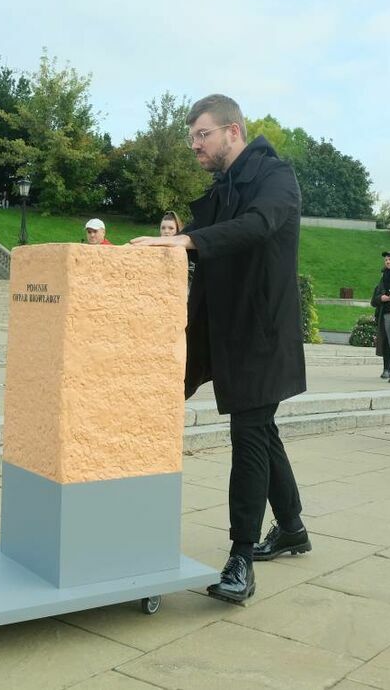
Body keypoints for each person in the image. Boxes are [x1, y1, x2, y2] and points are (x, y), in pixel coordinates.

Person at [130, 93, 309, 605]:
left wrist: (185, 242)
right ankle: (292, 526)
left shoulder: (276, 178)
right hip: (224, 332)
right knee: (262, 429)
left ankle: (241, 557)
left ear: (234, 131)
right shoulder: (223, 187)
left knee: (249, 434)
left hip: (261, 335)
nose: (195, 146)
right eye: (191, 140)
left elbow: (257, 227)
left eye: (202, 136)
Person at [372, 251, 390, 382]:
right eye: (387, 259)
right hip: (386, 314)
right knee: (389, 344)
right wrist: (382, 298)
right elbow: (374, 300)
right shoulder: (384, 278)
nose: (388, 261)